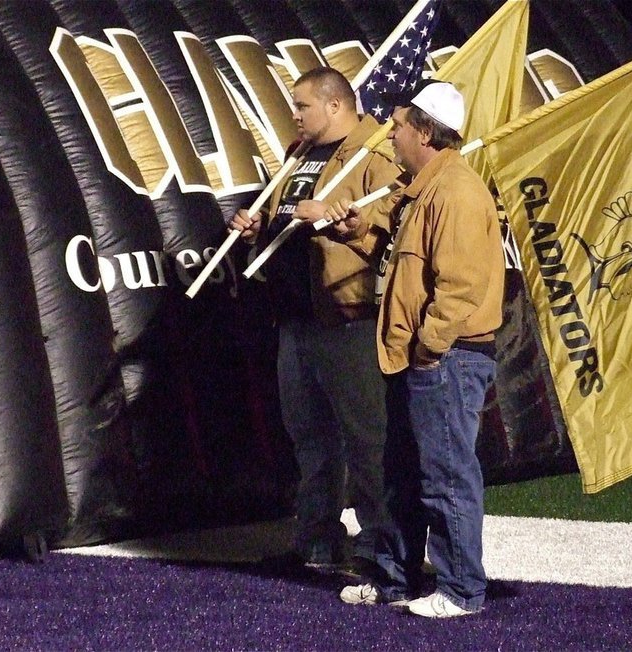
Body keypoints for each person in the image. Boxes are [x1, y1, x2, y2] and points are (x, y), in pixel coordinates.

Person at [330, 80, 505, 617]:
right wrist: (358, 232)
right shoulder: (423, 188)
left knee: (445, 474)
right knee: (403, 474)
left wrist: (429, 346)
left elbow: (460, 284)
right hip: (415, 356)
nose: (393, 134)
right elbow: (397, 257)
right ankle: (395, 580)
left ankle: (460, 591)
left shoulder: (455, 190)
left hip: (443, 358)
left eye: (401, 125)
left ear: (425, 131)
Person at [229, 67, 402, 570]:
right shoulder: (298, 153)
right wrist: (257, 228)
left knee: (367, 439)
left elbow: (396, 227)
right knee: (310, 438)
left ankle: (378, 547)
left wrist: (346, 224)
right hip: (295, 317)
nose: (295, 116)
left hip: (347, 318)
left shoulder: (377, 152)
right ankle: (317, 541)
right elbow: (287, 219)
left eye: (302, 106)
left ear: (334, 105)